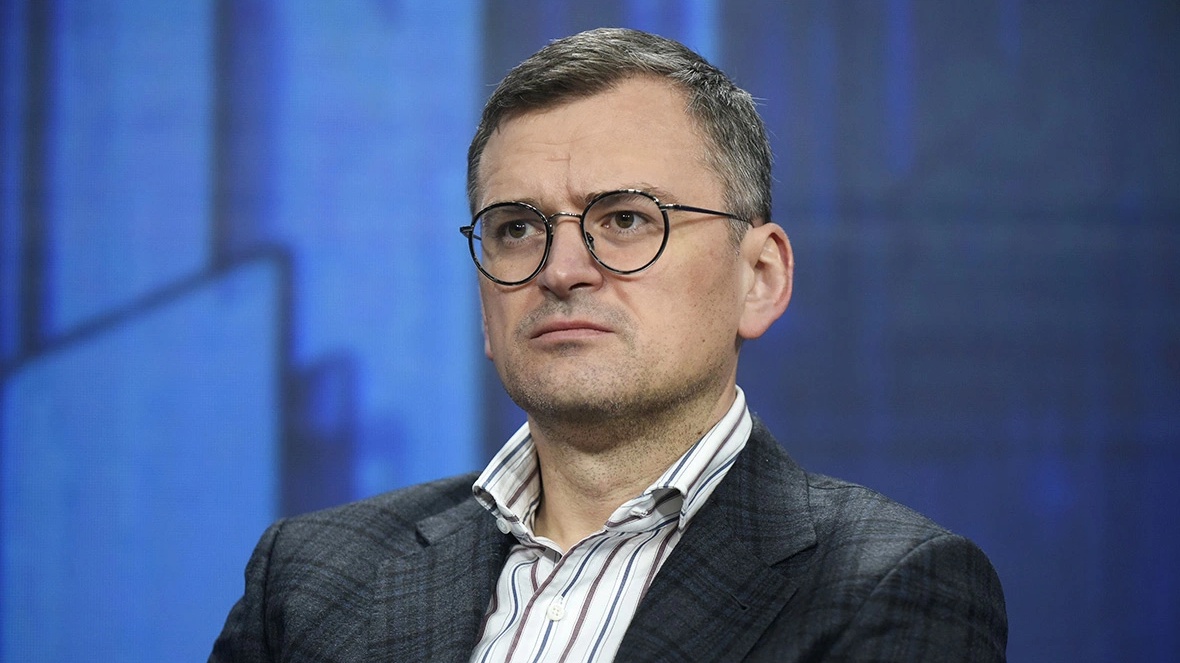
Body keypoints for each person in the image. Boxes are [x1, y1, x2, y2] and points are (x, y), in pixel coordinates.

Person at [210, 27, 1007, 662]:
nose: (560, 270)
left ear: (759, 276)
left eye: (626, 219)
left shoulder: (888, 583)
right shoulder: (311, 574)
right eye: (515, 229)